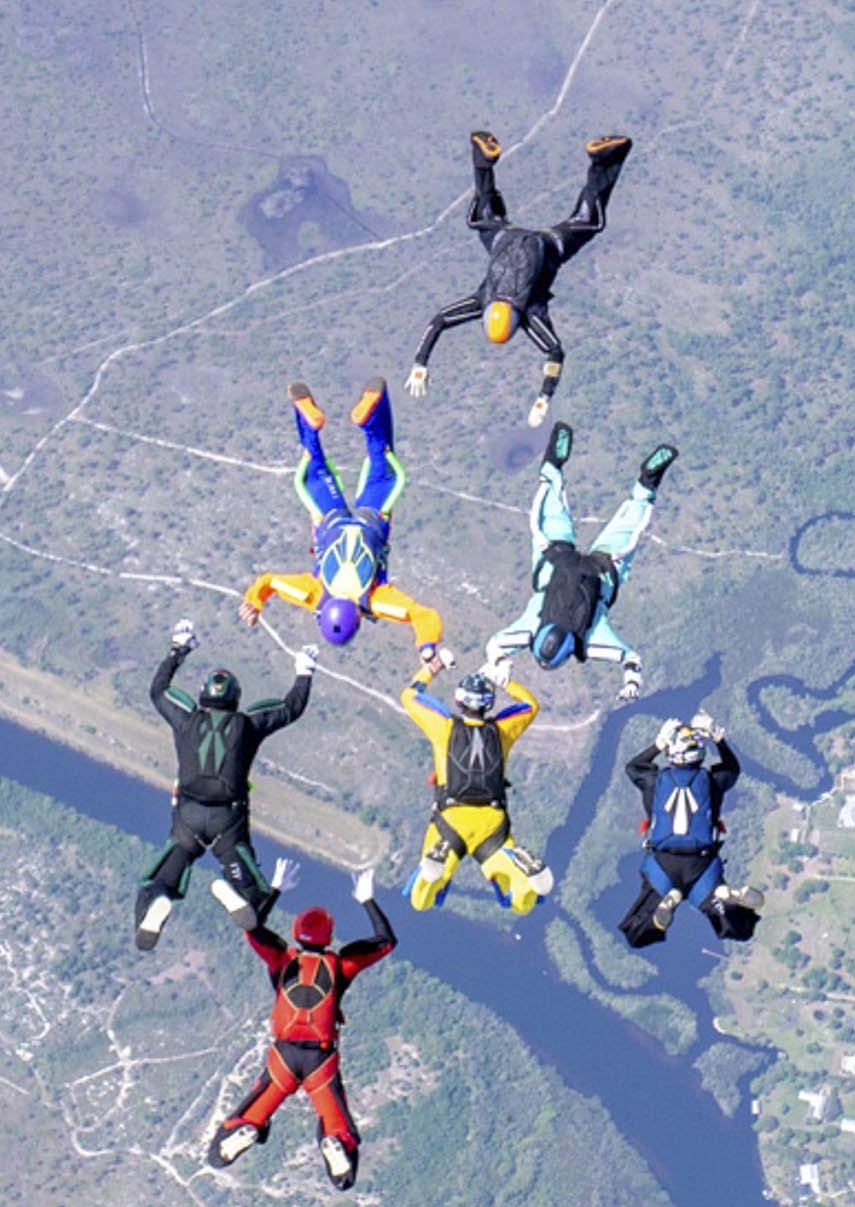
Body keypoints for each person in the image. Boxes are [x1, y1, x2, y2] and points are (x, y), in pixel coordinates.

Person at [407, 131, 631, 426]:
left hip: (548, 246)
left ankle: (606, 159)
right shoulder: (482, 301)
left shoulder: (527, 313)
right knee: (484, 215)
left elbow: (555, 353)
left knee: (587, 221)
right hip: (505, 238)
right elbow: (438, 321)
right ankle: (483, 161)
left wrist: (544, 399)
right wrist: (419, 362)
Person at [209, 863, 395, 1190]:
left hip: (283, 1055)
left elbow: (251, 928)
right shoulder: (340, 965)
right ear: (329, 935)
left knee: (247, 1115)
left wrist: (275, 890)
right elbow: (386, 941)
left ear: (296, 932)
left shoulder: (283, 958)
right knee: (338, 1125)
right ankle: (335, 1144)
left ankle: (245, 1129)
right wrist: (366, 899)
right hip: (320, 1060)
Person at [136, 621, 314, 948]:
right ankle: (232, 889)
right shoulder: (246, 725)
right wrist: (305, 671)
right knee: (255, 902)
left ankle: (161, 898)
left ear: (203, 695)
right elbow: (291, 709)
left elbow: (158, 691)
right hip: (227, 822)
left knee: (154, 883)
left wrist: (179, 649)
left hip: (187, 817)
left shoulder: (186, 719)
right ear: (236, 699)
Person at [240, 380, 444, 652]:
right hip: (330, 521)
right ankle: (308, 425)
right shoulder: (313, 595)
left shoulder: (375, 601)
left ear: (358, 620)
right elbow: (269, 581)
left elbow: (422, 615)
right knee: (313, 466)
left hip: (372, 520)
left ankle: (371, 419)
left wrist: (427, 648)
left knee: (383, 461)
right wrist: (253, 602)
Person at [484, 421, 675, 695]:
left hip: (602, 570)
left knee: (630, 526)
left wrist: (632, 683)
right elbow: (494, 644)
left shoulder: (589, 640)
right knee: (549, 510)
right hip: (556, 559)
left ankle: (647, 483)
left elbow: (630, 660)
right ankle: (553, 466)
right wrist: (499, 661)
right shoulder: (529, 629)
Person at [399, 662, 553, 915]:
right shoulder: (501, 730)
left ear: (460, 700)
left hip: (451, 821)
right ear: (489, 703)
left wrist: (432, 669)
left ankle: (431, 871)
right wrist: (504, 681)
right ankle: (527, 880)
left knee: (421, 900)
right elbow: (530, 705)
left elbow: (409, 696)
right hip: (493, 823)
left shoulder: (445, 728)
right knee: (518, 904)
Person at [619, 714, 762, 947]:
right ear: (699, 754)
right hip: (702, 865)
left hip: (663, 863)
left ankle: (668, 902)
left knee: (637, 933)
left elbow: (633, 767)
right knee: (740, 930)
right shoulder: (712, 781)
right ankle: (727, 900)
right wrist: (719, 739)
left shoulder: (655, 781)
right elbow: (732, 768)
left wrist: (657, 745)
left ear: (672, 753)